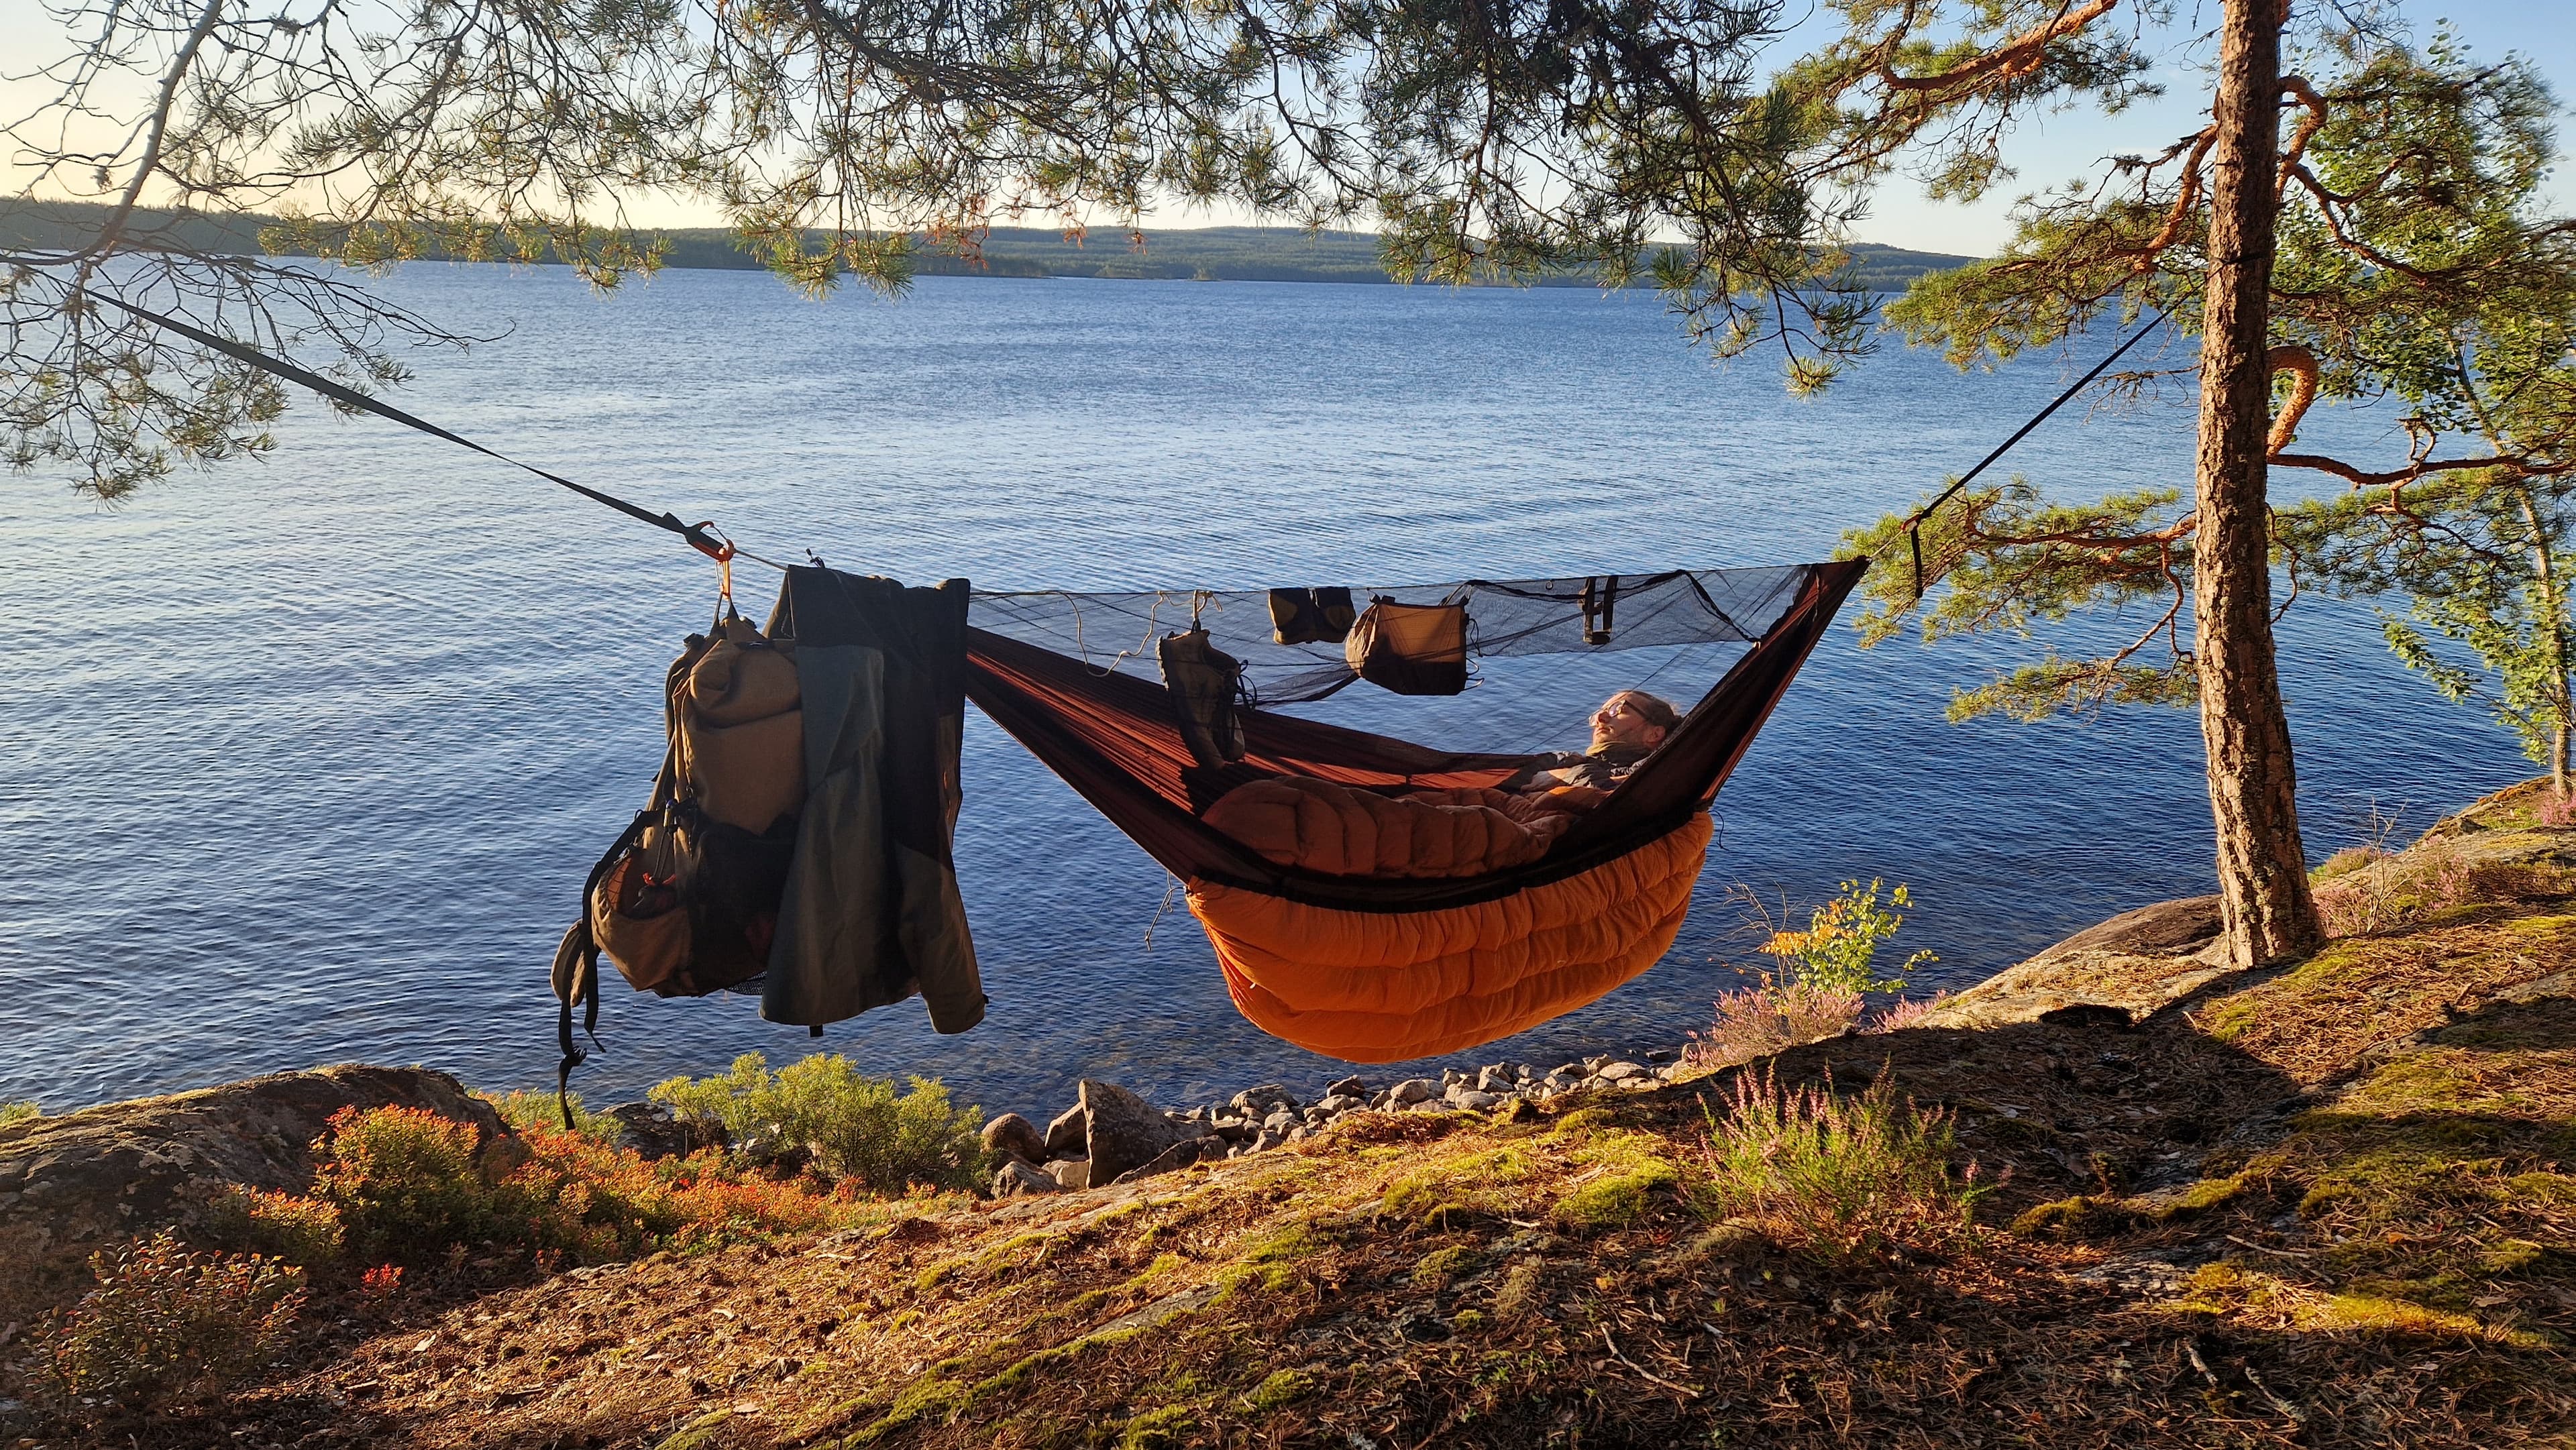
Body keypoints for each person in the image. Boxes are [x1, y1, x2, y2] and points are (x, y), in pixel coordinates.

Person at [1516, 689, 1682, 807]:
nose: (1601, 719)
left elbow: (1616, 799)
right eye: (1599, 713)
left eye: (1618, 710)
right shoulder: (1562, 760)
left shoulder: (1651, 774)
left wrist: (1566, 775)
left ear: (1654, 734)